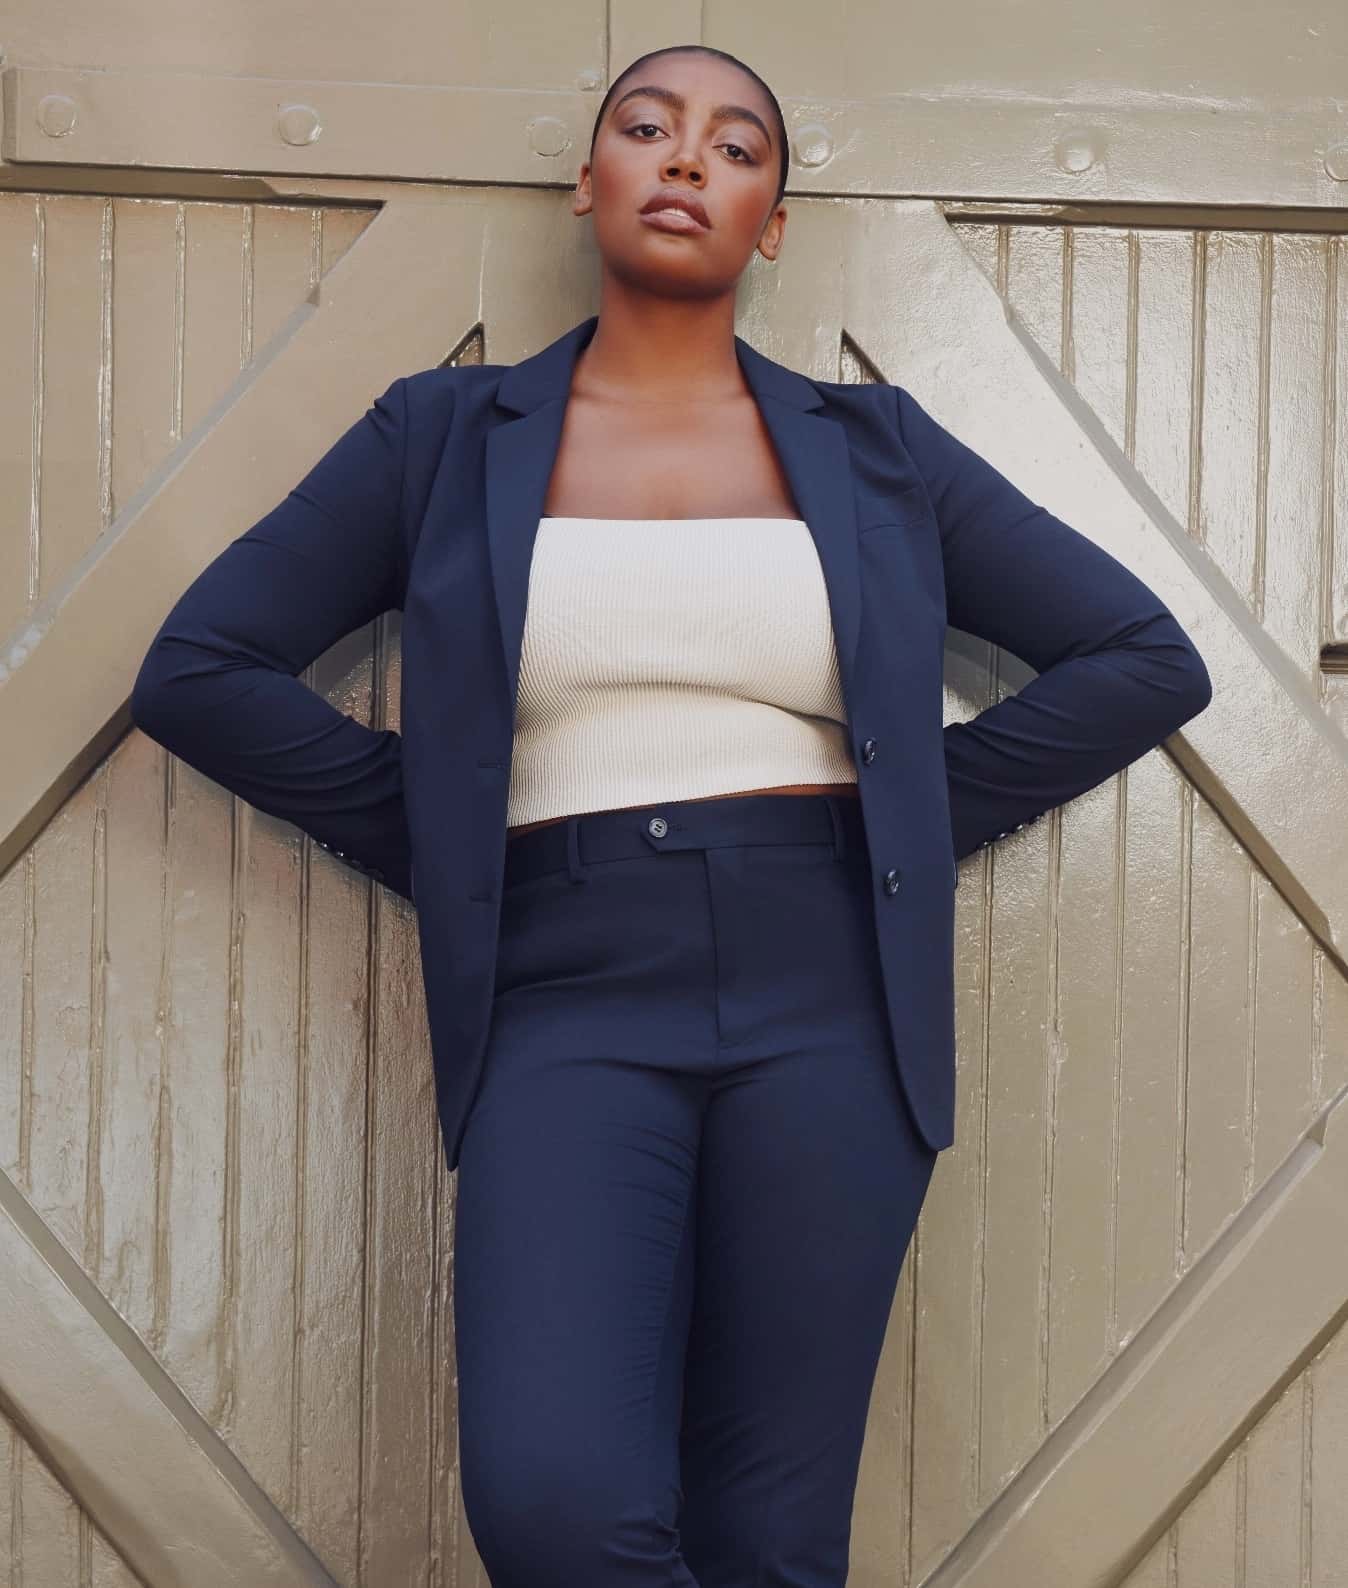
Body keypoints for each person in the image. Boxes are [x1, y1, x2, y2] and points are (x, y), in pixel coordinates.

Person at [130, 42, 1213, 1587]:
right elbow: (201, 667)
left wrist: (890, 833)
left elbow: (1141, 658)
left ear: (771, 222)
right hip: (562, 989)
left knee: (771, 1538)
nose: (688, 158)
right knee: (553, 1502)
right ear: (591, 183)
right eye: (646, 127)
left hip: (828, 991)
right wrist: (445, 842)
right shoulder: (442, 436)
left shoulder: (877, 450)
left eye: (737, 145)